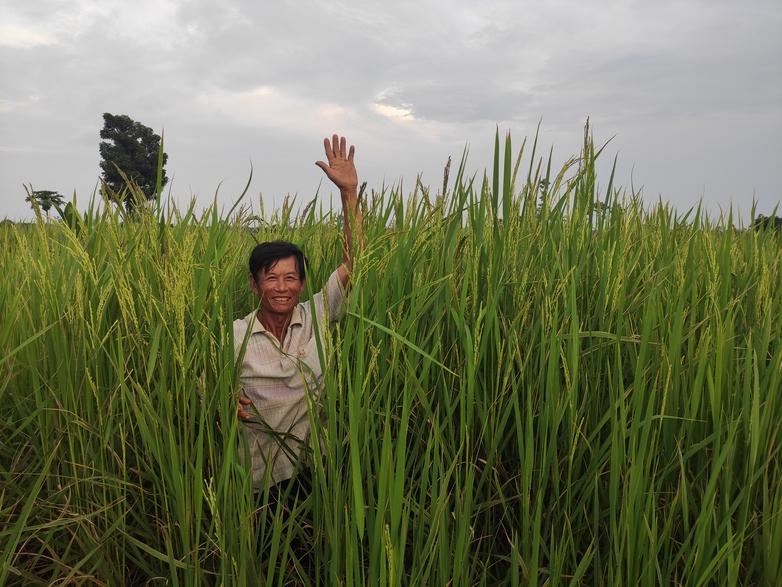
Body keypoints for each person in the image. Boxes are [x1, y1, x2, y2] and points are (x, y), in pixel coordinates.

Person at [233, 134, 362, 491]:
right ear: (254, 285)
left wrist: (348, 194)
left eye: (291, 277)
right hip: (260, 480)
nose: (281, 287)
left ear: (302, 284)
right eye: (271, 278)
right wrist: (225, 403)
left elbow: (356, 263)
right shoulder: (235, 337)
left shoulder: (318, 314)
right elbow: (207, 394)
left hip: (315, 471)